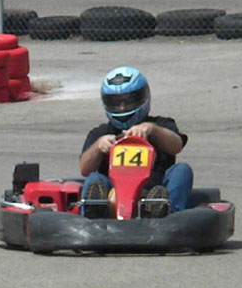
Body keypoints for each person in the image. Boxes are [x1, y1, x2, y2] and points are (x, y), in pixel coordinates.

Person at [79, 67, 193, 219]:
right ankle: (94, 214)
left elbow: (176, 146)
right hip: (114, 194)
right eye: (115, 103)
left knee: (182, 170)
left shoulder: (160, 124)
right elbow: (85, 170)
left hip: (155, 189)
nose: (122, 108)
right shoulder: (101, 133)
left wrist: (152, 129)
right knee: (94, 179)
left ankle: (163, 212)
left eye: (128, 101)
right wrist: (99, 147)